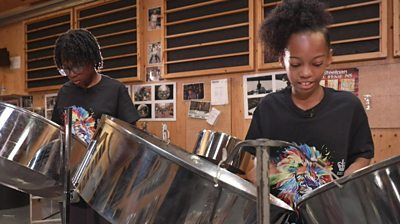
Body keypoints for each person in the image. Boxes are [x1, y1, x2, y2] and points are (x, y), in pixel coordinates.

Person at [245, 0, 374, 220]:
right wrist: (265, 174)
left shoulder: (348, 106)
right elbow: (251, 162)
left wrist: (346, 183)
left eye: (316, 63)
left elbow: (363, 156)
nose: (306, 73)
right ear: (281, 59)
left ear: (329, 58)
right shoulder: (268, 108)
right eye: (296, 64)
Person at [51, 28, 140, 224]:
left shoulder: (115, 90)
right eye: (66, 69)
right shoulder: (64, 92)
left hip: (107, 184)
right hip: (72, 182)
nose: (72, 74)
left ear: (92, 59)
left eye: (77, 67)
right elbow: (57, 134)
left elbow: (131, 139)